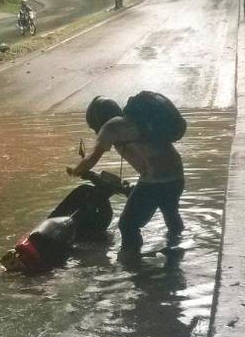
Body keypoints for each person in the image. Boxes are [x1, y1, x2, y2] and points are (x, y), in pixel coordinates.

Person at [67, 96, 185, 256]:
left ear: (98, 118)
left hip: (155, 180)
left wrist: (76, 170)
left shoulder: (110, 127)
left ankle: (131, 261)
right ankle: (177, 250)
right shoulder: (134, 121)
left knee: (127, 224)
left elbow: (92, 158)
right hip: (176, 175)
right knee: (170, 214)